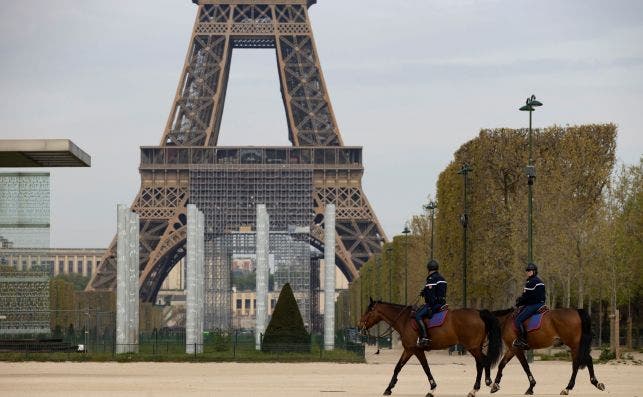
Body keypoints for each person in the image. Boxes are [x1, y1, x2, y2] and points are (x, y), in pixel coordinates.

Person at [513, 262, 546, 349]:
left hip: (534, 305)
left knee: (518, 320)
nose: (528, 272)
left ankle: (522, 341)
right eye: (527, 270)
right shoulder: (540, 281)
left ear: (534, 271)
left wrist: (519, 302)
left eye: (530, 270)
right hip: (541, 303)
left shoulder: (531, 282)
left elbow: (527, 297)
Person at [415, 259, 447, 347]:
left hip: (435, 304)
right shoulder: (442, 278)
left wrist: (430, 306)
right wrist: (424, 292)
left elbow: (431, 295)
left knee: (417, 315)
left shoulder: (431, 278)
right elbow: (438, 291)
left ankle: (424, 337)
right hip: (442, 302)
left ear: (428, 269)